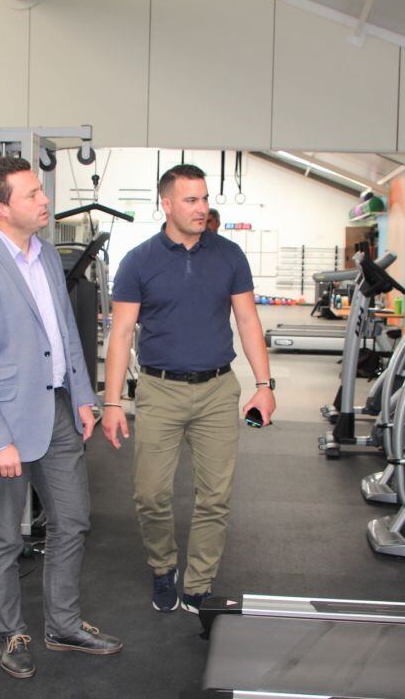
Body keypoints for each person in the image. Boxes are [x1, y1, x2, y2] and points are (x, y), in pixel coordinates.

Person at [0, 156, 122, 680]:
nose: (44, 201)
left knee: (73, 521)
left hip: (59, 411)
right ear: (0, 207)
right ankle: (11, 631)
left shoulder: (43, 255)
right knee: (3, 536)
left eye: (41, 191)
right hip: (4, 424)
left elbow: (66, 331)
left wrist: (84, 397)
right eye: (30, 195)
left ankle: (62, 624)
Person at [101, 164, 276, 614]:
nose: (202, 209)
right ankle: (163, 568)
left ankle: (199, 582)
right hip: (160, 391)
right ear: (166, 204)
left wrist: (264, 384)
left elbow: (248, 321)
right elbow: (120, 335)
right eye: (191, 200)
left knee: (214, 496)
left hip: (218, 389)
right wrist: (112, 401)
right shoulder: (139, 261)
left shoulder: (230, 255)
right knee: (150, 494)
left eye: (204, 199)